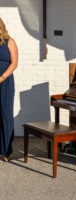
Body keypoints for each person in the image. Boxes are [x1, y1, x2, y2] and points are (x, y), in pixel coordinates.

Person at [0, 18, 18, 162]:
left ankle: (6, 150)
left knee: (5, 114)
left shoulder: (10, 42)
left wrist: (2, 77)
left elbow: (14, 63)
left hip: (5, 82)